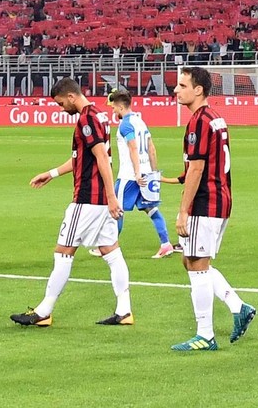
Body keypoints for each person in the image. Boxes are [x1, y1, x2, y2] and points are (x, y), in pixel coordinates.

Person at [10, 78, 131, 328]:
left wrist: (111, 196)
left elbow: (101, 159)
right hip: (98, 200)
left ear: (72, 96)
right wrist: (52, 173)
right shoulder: (97, 116)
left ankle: (44, 311)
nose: (61, 107)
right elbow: (82, 158)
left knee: (63, 252)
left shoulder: (87, 119)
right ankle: (124, 310)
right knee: (111, 251)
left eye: (61, 102)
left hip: (87, 200)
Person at [170, 67, 255, 351]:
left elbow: (197, 168)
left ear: (199, 90)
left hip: (206, 202)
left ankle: (205, 334)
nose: (176, 90)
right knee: (191, 260)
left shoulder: (198, 122)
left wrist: (183, 211)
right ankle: (237, 305)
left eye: (182, 85)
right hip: (221, 198)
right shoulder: (215, 118)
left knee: (197, 264)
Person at [107, 89, 174, 259]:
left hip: (130, 176)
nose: (113, 111)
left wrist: (137, 173)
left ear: (120, 106)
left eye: (114, 108)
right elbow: (151, 147)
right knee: (150, 208)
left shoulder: (126, 124)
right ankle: (166, 244)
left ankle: (110, 246)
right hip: (146, 173)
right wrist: (153, 172)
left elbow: (133, 147)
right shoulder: (140, 121)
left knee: (116, 208)